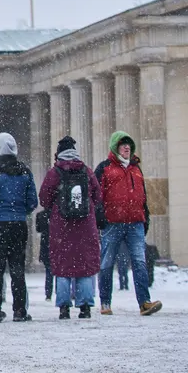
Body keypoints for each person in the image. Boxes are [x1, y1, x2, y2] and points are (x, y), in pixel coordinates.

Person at [94, 130, 162, 316]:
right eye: (122, 144)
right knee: (107, 263)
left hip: (135, 223)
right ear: (115, 147)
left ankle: (144, 303)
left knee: (140, 262)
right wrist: (101, 219)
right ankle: (105, 302)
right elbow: (96, 195)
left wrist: (144, 218)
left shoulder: (136, 169)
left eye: (128, 144)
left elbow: (143, 197)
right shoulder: (104, 167)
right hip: (113, 223)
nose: (126, 147)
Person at [38, 136, 100, 319]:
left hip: (62, 226)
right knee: (85, 265)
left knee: (62, 266)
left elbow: (44, 199)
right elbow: (98, 196)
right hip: (85, 225)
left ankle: (64, 307)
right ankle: (85, 306)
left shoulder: (55, 172)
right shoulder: (86, 171)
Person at [0, 132, 38, 323]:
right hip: (19, 225)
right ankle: (20, 309)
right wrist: (21, 213)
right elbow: (32, 201)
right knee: (17, 268)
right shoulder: (25, 171)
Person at [35, 208, 52, 300]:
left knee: (49, 271)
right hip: (56, 241)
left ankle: (48, 293)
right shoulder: (57, 214)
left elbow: (38, 229)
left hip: (45, 242)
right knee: (59, 272)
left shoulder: (41, 215)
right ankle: (59, 291)